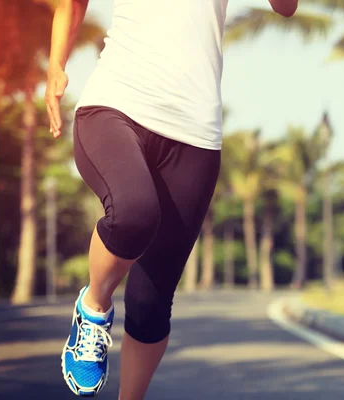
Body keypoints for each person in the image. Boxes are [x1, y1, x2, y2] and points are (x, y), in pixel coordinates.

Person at [44, 0, 298, 398]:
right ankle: (93, 306)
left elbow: (285, 7)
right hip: (116, 104)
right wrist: (56, 64)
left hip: (195, 132)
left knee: (151, 300)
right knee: (133, 213)